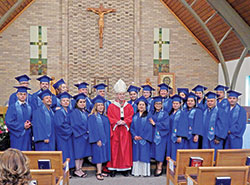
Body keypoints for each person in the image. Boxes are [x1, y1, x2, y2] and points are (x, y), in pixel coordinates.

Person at [107, 79, 134, 177]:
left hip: (125, 131)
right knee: (115, 149)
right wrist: (116, 122)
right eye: (119, 94)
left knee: (125, 149)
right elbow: (109, 116)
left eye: (123, 94)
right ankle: (113, 168)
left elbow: (131, 116)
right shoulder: (111, 106)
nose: (121, 96)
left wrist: (125, 121)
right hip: (116, 130)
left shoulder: (129, 106)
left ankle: (125, 168)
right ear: (116, 95)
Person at [88, 95, 111, 181]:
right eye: (98, 105)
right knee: (98, 156)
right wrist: (97, 140)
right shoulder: (92, 117)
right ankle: (98, 172)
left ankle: (101, 170)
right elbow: (92, 130)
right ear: (95, 107)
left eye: (102, 105)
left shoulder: (105, 117)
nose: (101, 107)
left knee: (103, 155)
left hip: (105, 140)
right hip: (97, 140)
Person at [69, 93, 91, 177]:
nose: (82, 103)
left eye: (84, 102)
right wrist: (86, 130)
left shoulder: (85, 112)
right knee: (78, 154)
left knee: (82, 154)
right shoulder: (74, 112)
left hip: (85, 136)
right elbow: (75, 125)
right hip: (78, 136)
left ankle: (80, 168)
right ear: (77, 103)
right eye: (81, 102)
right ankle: (77, 170)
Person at [130, 96, 152, 177]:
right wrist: (134, 136)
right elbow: (131, 127)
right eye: (140, 105)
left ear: (146, 106)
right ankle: (136, 172)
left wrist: (142, 136)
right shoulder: (134, 116)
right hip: (136, 139)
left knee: (144, 155)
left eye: (143, 105)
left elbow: (149, 128)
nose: (141, 106)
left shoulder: (149, 115)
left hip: (144, 140)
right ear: (137, 106)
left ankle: (144, 172)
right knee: (136, 155)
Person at [5, 86, 32, 151]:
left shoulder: (29, 107)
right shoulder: (12, 107)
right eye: (20, 94)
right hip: (17, 136)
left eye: (24, 94)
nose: (22, 96)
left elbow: (32, 118)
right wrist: (23, 126)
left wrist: (30, 123)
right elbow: (9, 121)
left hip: (27, 136)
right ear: (17, 95)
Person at [149, 96, 170, 176]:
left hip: (162, 135)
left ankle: (159, 167)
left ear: (162, 105)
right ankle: (155, 166)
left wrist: (155, 124)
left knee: (160, 151)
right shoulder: (151, 113)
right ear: (154, 105)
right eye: (156, 103)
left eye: (159, 104)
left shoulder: (165, 114)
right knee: (154, 151)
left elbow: (166, 125)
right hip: (152, 135)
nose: (158, 105)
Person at [202, 92, 228, 157]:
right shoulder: (205, 111)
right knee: (206, 155)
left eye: (211, 101)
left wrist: (218, 137)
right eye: (208, 101)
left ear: (215, 101)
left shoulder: (220, 111)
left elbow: (223, 125)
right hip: (205, 138)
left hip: (215, 139)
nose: (210, 103)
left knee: (215, 156)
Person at [54, 92, 75, 169]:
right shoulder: (59, 112)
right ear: (60, 102)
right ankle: (63, 170)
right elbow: (59, 125)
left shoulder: (69, 111)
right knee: (64, 152)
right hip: (62, 136)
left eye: (67, 100)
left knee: (69, 152)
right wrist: (71, 129)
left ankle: (69, 169)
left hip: (68, 136)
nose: (66, 102)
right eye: (64, 100)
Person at [169, 95, 188, 160]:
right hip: (170, 136)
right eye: (174, 103)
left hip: (177, 137)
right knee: (171, 152)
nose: (175, 105)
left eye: (177, 103)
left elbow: (184, 125)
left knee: (177, 153)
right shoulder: (171, 113)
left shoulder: (182, 113)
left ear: (180, 104)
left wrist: (180, 136)